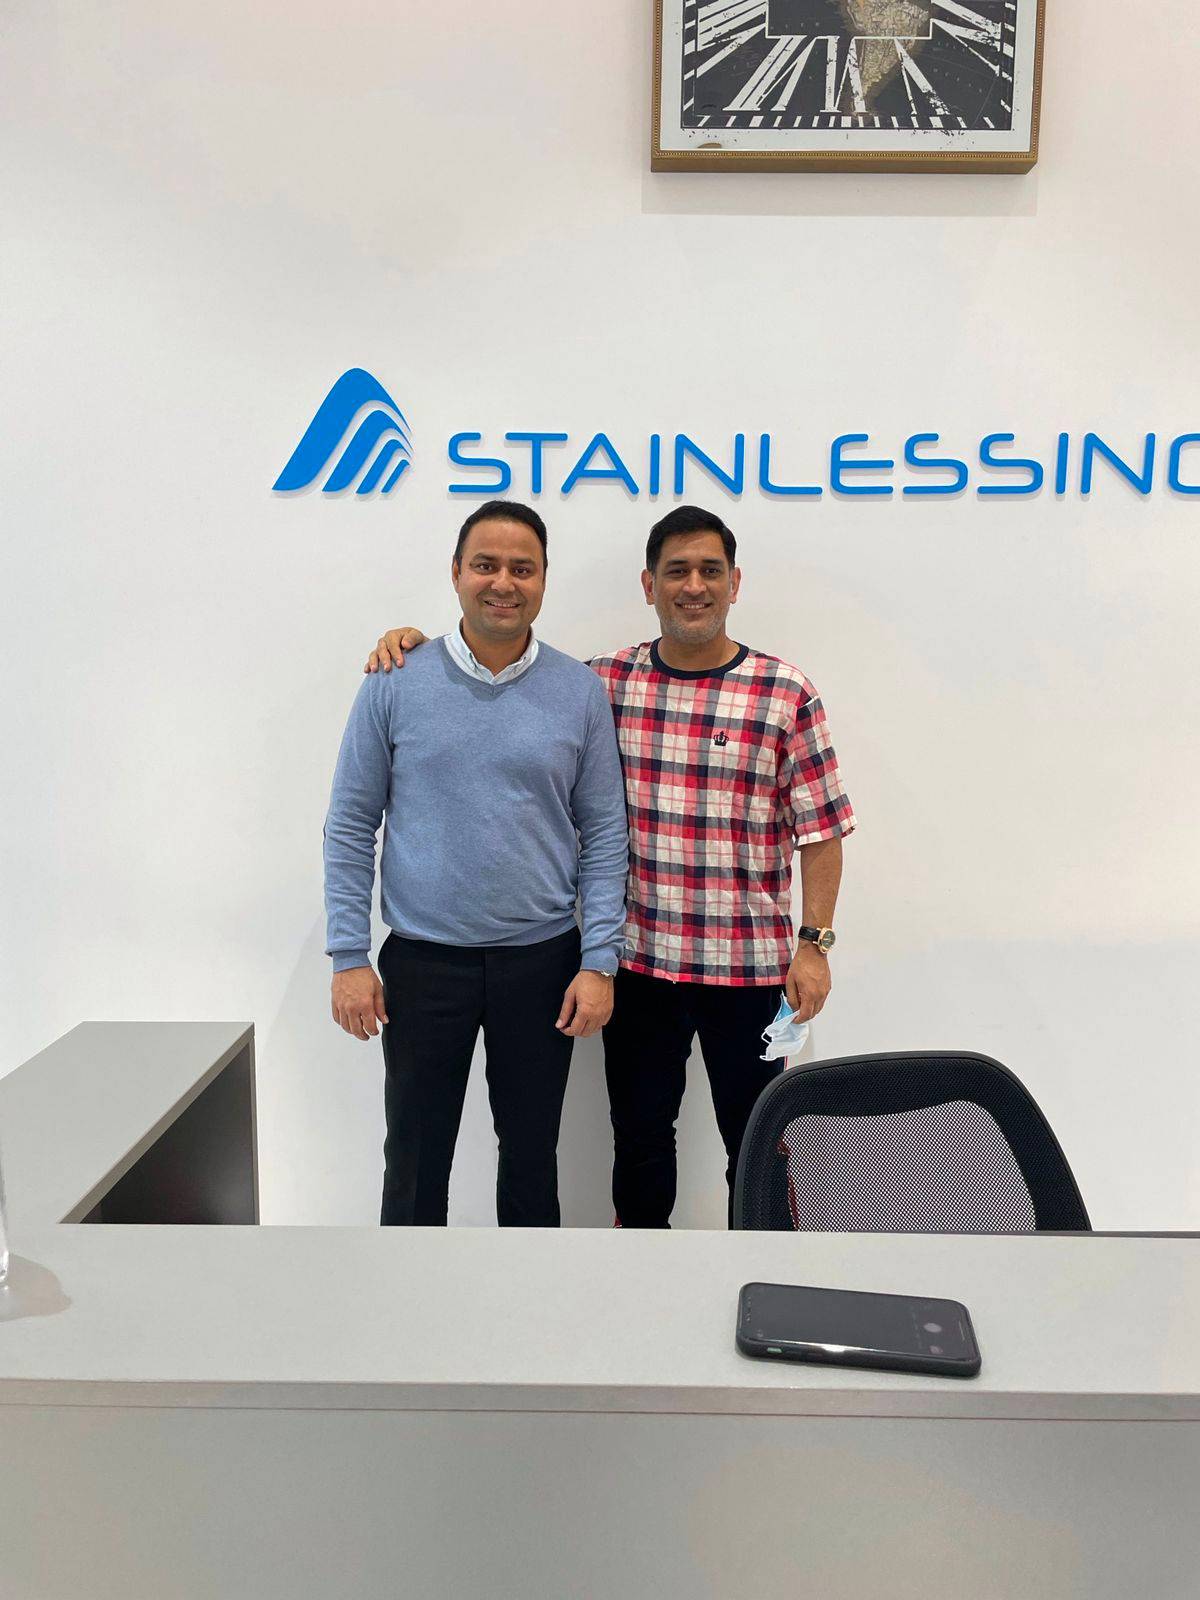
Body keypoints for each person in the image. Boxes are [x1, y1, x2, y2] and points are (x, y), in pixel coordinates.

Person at [364, 505, 855, 1227]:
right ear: (649, 585)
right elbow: (507, 671)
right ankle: (642, 1287)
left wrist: (813, 946)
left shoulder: (784, 693)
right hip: (641, 966)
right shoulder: (603, 685)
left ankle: (770, 1281)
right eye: (677, 572)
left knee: (760, 1146)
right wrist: (408, 644)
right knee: (641, 1147)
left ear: (735, 582)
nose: (694, 587)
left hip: (751, 971)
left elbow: (821, 829)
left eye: (710, 571)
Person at [325, 499, 628, 1228]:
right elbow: (350, 823)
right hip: (425, 963)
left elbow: (605, 831)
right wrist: (347, 955)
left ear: (544, 580)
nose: (503, 582)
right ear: (456, 573)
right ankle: (407, 1312)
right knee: (416, 1157)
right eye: (486, 565)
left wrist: (600, 959)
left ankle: (525, 1316)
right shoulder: (395, 679)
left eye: (522, 568)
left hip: (542, 964)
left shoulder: (578, 692)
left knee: (532, 1157)